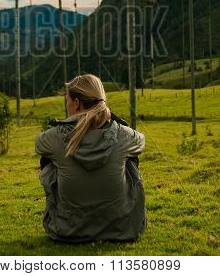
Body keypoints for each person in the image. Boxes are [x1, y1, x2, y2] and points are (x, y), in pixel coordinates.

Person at [35, 74, 146, 243]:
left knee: (49, 160)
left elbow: (39, 144)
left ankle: (68, 217)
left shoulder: (54, 138)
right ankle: (119, 219)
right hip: (121, 230)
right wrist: (112, 119)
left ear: (77, 103)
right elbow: (141, 141)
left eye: (67, 100)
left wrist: (69, 124)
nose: (67, 105)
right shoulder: (123, 135)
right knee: (130, 158)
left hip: (67, 231)